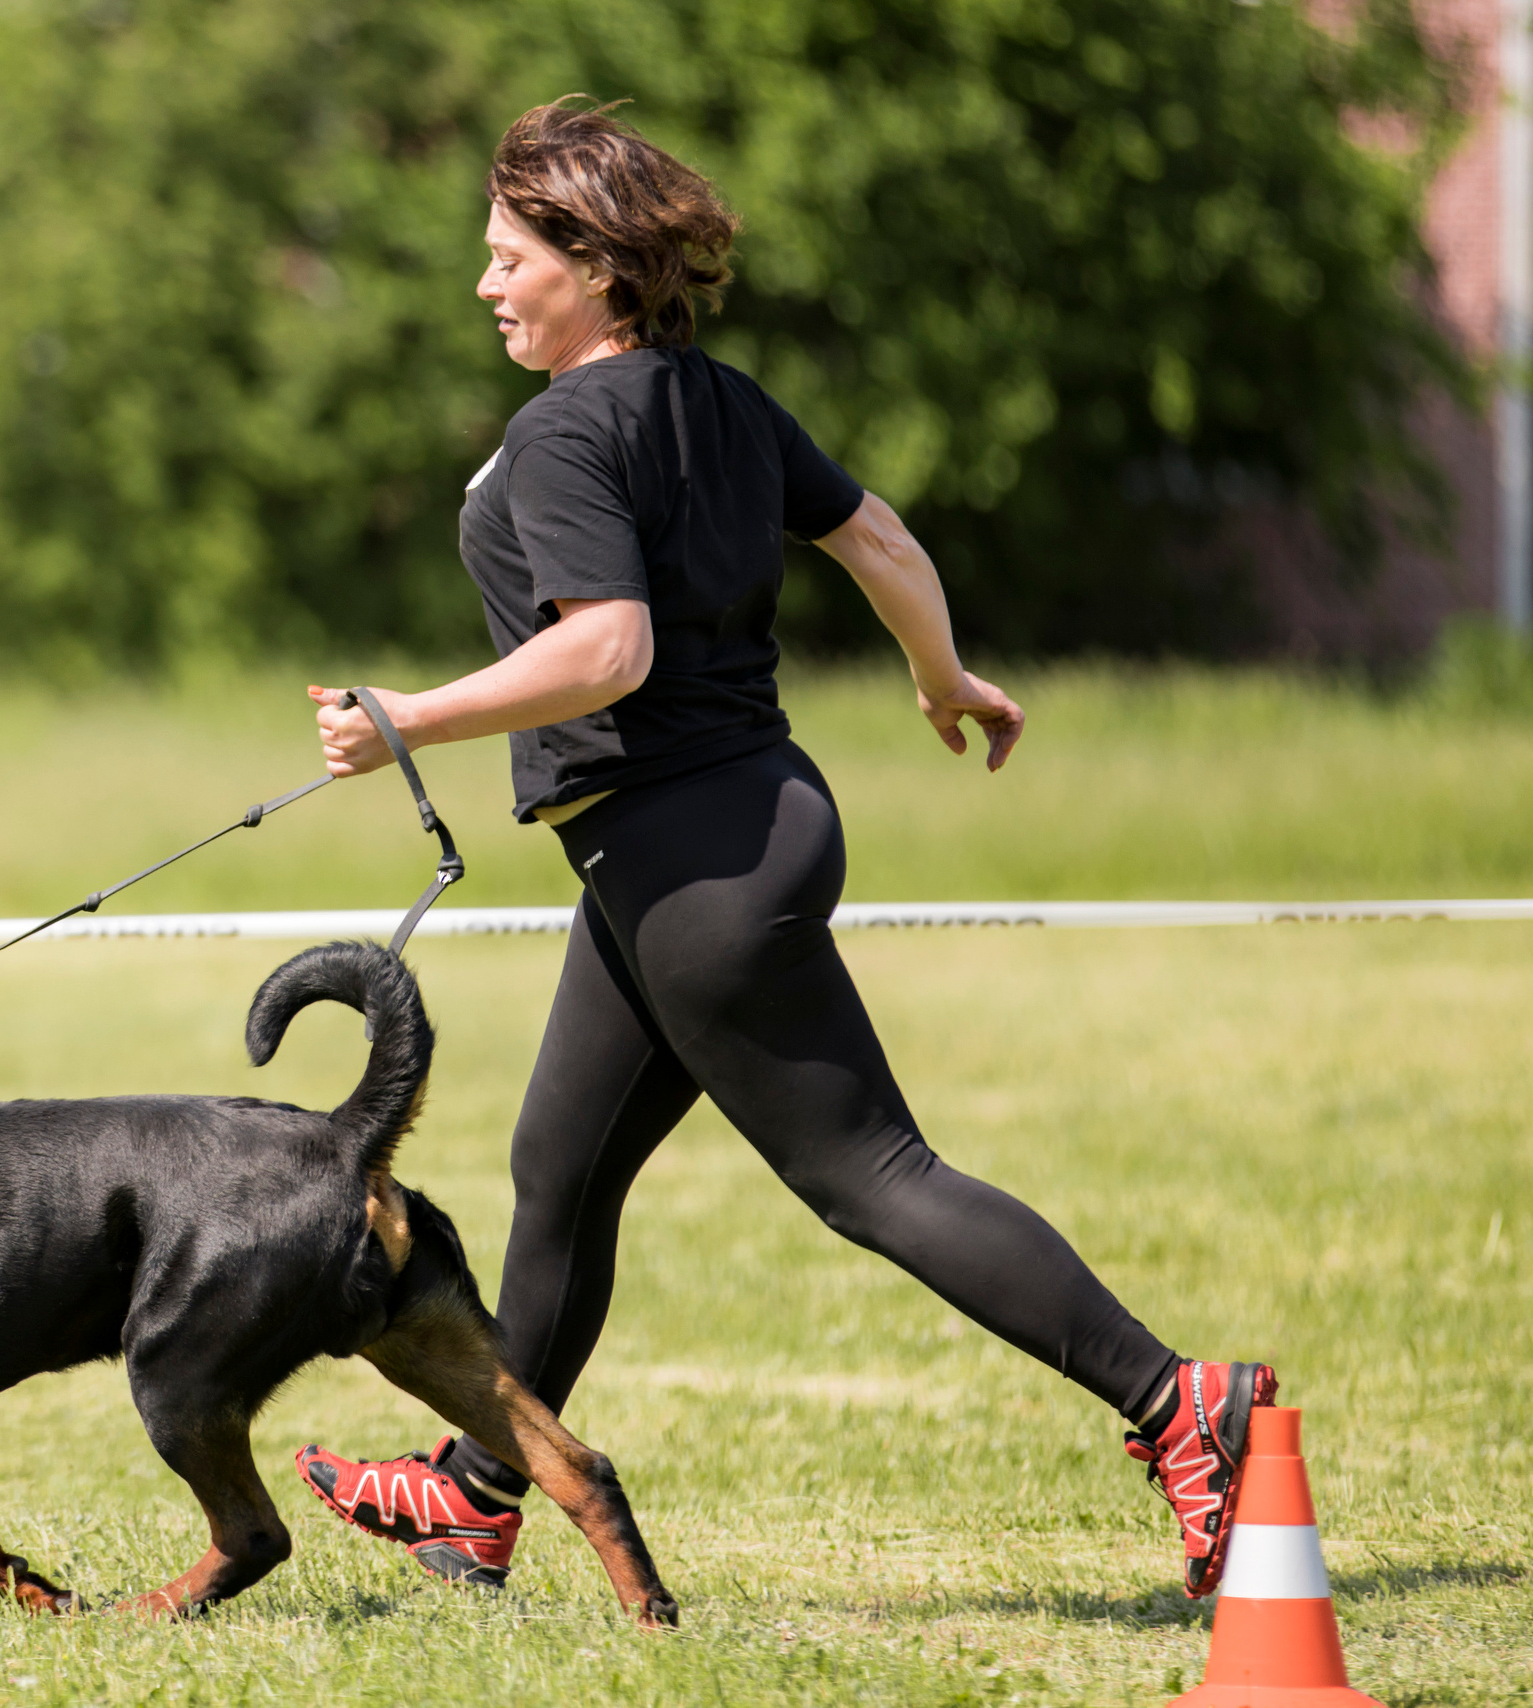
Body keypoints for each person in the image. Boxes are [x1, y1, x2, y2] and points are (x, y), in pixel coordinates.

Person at [291, 101, 1274, 1602]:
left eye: (510, 258)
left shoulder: (568, 430)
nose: (486, 285)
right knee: (561, 1171)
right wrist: (942, 675)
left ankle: (1176, 1401)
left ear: (598, 269)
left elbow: (609, 650)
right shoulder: (721, 400)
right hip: (721, 832)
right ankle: (479, 1496)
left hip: (695, 858)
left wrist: (408, 716)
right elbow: (878, 538)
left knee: (870, 1172)